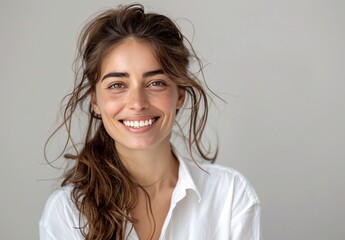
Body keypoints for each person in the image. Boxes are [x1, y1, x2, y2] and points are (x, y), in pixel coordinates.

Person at [39, 4, 261, 240]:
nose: (137, 103)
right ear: (95, 101)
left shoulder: (230, 196)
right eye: (117, 85)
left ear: (180, 95)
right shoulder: (67, 213)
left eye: (155, 83)